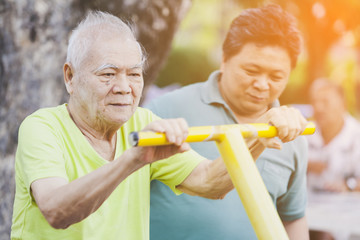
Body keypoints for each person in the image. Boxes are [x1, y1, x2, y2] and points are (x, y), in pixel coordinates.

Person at [10, 10, 307, 240]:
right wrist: (132, 159)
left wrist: (258, 136)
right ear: (70, 77)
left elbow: (209, 183)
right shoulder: (42, 127)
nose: (124, 87)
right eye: (108, 74)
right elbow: (56, 210)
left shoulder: (144, 121)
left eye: (134, 74)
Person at [147, 4, 309, 240]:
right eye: (252, 71)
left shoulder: (291, 132)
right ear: (224, 60)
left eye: (276, 76)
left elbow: (292, 216)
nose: (263, 85)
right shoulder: (165, 111)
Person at [307, 78, 360, 192]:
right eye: (314, 102)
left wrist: (348, 186)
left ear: (343, 104)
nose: (318, 108)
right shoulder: (303, 133)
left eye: (325, 102)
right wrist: (304, 165)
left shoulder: (356, 135)